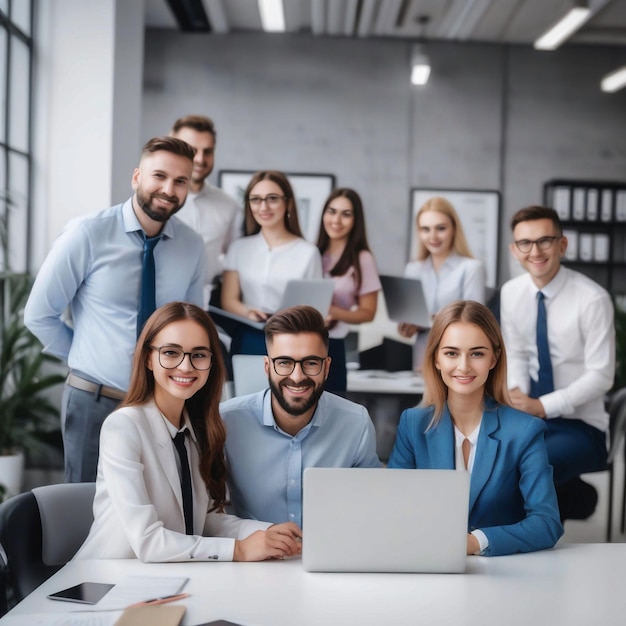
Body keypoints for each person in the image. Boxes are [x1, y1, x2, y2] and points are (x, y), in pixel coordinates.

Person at [24, 137, 207, 483]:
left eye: (180, 181)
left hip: (163, 405)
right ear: (137, 177)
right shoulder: (88, 233)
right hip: (96, 401)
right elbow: (39, 314)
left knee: (154, 512)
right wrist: (88, 362)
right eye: (160, 176)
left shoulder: (192, 246)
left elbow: (194, 326)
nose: (169, 189)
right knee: (84, 510)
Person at [74, 302, 302, 562]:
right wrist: (239, 550)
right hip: (108, 580)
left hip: (169, 577)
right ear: (148, 358)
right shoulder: (124, 427)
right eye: (171, 352)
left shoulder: (198, 430)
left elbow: (203, 521)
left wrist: (267, 532)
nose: (185, 366)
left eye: (199, 354)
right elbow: (148, 542)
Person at [388, 300, 563, 556]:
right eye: (451, 353)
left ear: (494, 358)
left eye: (477, 353)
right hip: (427, 566)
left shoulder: (525, 431)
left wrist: (474, 542)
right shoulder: (413, 425)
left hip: (501, 573)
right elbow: (391, 506)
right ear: (436, 358)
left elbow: (547, 523)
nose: (463, 366)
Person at [500, 206, 615, 521]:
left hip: (582, 427)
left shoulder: (592, 299)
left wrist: (542, 406)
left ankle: (529, 538)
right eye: (525, 243)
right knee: (492, 459)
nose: (534, 251)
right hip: (531, 420)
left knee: (531, 468)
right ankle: (573, 497)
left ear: (562, 245)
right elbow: (519, 352)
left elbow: (602, 375)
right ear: (514, 250)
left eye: (544, 241)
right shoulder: (512, 293)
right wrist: (517, 399)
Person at [220, 305, 381, 526]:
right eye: (284, 362)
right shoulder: (227, 421)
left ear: (326, 367)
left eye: (311, 363)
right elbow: (210, 511)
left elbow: (371, 506)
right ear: (267, 367)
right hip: (252, 557)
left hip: (333, 553)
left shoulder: (356, 423)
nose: (297, 376)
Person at [220, 171, 322, 355]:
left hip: (293, 343)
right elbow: (228, 300)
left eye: (272, 198)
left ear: (288, 203)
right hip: (248, 338)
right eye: (256, 199)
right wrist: (248, 311)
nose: (263, 207)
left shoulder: (308, 253)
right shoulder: (238, 248)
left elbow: (314, 310)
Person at [398, 197, 486, 370]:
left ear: (454, 229)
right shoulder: (413, 269)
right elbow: (408, 319)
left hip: (459, 359)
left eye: (441, 228)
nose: (433, 236)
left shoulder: (471, 268)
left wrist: (428, 319)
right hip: (422, 357)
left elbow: (474, 321)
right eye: (425, 229)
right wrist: (407, 326)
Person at [170, 114, 242, 307]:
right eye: (192, 150)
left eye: (208, 151)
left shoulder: (229, 205)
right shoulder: (158, 201)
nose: (200, 159)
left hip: (206, 308)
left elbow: (232, 258)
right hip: (158, 305)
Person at [316, 188, 381, 393]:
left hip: (333, 345)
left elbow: (368, 313)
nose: (336, 220)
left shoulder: (362, 259)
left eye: (346, 214)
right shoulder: (311, 253)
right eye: (332, 211)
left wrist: (332, 311)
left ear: (356, 220)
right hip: (303, 342)